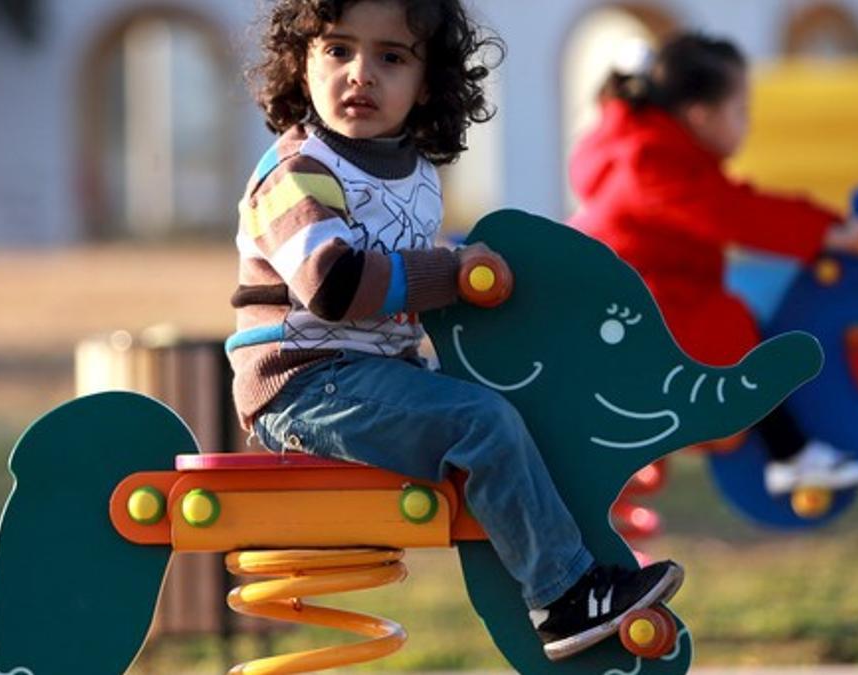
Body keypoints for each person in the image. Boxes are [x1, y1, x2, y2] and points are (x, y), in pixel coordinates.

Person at [228, 0, 682, 660]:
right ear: (301, 63)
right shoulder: (299, 173)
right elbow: (334, 286)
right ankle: (563, 595)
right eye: (338, 50)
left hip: (377, 372)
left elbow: (418, 268)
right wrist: (451, 269)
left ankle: (565, 565)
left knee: (517, 406)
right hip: (304, 384)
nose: (361, 73)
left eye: (391, 57)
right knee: (481, 421)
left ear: (428, 82)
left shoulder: (414, 172)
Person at [570, 33, 858, 495]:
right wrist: (831, 233)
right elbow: (734, 213)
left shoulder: (656, 151)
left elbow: (733, 205)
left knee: (734, 333)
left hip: (638, 298)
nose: (748, 124)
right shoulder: (653, 163)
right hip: (629, 308)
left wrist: (828, 229)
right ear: (701, 115)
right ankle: (791, 455)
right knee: (732, 340)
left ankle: (781, 450)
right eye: (741, 111)